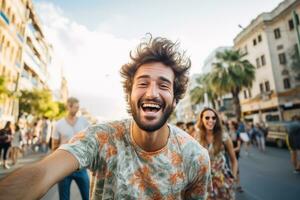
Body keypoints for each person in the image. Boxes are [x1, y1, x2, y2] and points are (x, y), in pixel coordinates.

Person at [0, 35, 211, 199]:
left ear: (175, 99)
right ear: (129, 95)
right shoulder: (101, 138)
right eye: (143, 83)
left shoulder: (196, 158)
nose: (152, 93)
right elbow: (43, 172)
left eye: (164, 85)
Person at [52, 97, 90, 200]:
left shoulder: (84, 122)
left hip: (81, 166)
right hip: (64, 168)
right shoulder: (58, 124)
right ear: (68, 106)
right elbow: (54, 147)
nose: (77, 109)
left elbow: (90, 140)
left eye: (78, 107)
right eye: (75, 107)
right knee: (64, 198)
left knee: (89, 197)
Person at [197, 107, 238, 200]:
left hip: (223, 183)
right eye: (207, 118)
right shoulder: (196, 138)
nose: (211, 120)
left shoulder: (224, 137)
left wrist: (233, 179)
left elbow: (234, 160)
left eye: (213, 117)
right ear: (202, 119)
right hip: (205, 184)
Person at [228, 120, 243, 193]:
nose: (229, 125)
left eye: (230, 124)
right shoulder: (228, 134)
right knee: (229, 169)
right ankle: (232, 185)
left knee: (236, 169)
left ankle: (238, 185)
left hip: (234, 154)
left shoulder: (237, 134)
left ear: (233, 125)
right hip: (228, 154)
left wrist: (231, 150)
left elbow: (239, 147)